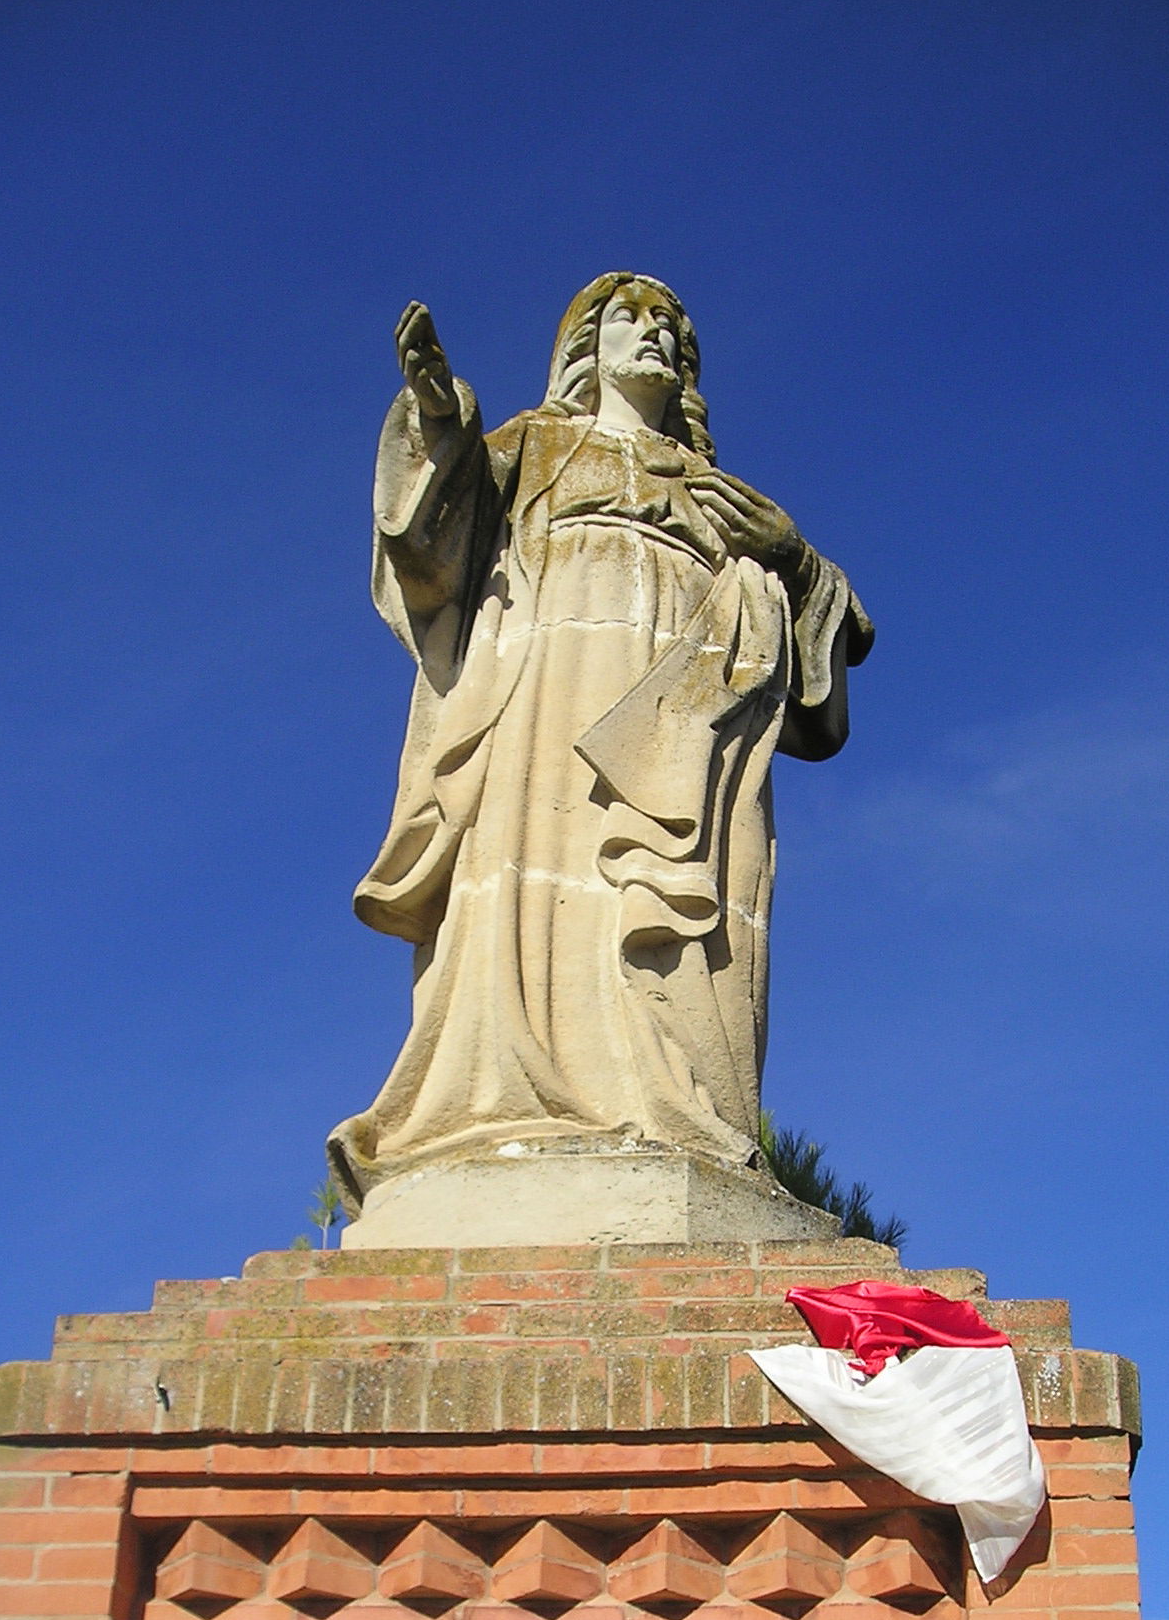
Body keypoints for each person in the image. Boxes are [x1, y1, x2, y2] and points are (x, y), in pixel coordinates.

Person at [328, 272, 873, 1217]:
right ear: (586, 345)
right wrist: (435, 421)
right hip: (548, 693)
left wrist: (789, 556)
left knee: (680, 926)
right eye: (629, 320)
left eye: (673, 328)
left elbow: (824, 668)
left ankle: (680, 1118)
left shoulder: (724, 495)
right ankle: (509, 1109)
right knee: (533, 892)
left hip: (690, 726)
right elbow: (431, 548)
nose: (654, 338)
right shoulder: (533, 447)